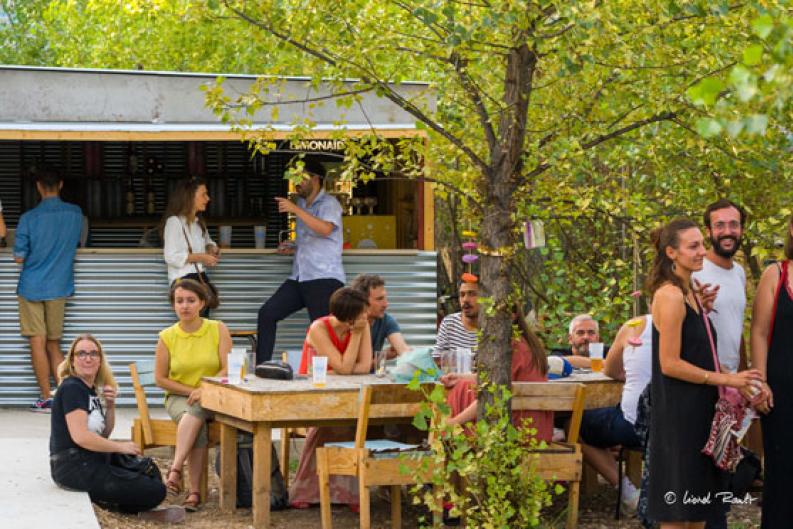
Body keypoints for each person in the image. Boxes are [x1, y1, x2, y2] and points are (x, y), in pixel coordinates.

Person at [646, 218, 762, 528]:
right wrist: (727, 378)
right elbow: (669, 363)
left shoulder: (692, 291)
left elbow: (694, 349)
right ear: (672, 252)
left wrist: (702, 312)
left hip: (701, 415)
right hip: (679, 420)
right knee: (677, 514)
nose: (701, 252)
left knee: (699, 513)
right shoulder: (669, 295)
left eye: (701, 244)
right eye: (693, 246)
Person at [50, 334, 183, 522]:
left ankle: (116, 500)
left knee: (149, 470)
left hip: (90, 458)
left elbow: (103, 434)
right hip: (74, 467)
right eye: (81, 353)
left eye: (93, 354)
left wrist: (110, 406)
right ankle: (118, 506)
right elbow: (81, 438)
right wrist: (120, 447)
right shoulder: (72, 388)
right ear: (72, 360)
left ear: (100, 360)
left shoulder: (89, 389)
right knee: (155, 490)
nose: (88, 358)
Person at [691, 199, 748, 529]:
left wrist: (744, 379)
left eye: (734, 224)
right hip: (703, 385)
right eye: (720, 225)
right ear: (709, 230)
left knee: (722, 473)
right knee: (700, 477)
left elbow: (735, 330)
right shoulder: (695, 270)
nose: (728, 232)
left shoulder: (739, 272)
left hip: (731, 389)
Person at [256, 158, 346, 363]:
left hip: (324, 278)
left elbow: (325, 229)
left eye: (300, 177)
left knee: (322, 331)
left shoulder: (329, 203)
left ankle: (331, 376)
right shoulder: (302, 203)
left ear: (315, 179)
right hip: (300, 277)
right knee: (267, 314)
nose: (296, 182)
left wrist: (296, 210)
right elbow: (314, 237)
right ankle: (262, 367)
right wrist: (294, 246)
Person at [290, 287, 372, 508]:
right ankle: (309, 492)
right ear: (348, 318)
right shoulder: (319, 328)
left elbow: (364, 366)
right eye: (362, 313)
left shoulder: (362, 326)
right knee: (328, 425)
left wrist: (337, 368)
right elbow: (346, 367)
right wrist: (355, 337)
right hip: (315, 393)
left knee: (358, 423)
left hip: (347, 392)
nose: (366, 317)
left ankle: (349, 494)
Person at [155, 278, 231, 512]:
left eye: (190, 300)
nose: (185, 306)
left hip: (213, 393)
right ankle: (194, 493)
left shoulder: (217, 328)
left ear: (202, 303)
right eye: (179, 301)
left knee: (197, 410)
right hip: (179, 397)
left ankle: (175, 472)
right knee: (195, 415)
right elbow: (161, 378)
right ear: (173, 305)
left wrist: (204, 390)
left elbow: (227, 368)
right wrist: (193, 391)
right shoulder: (167, 336)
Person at [13, 167, 82, 412]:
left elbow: (19, 258)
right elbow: (80, 243)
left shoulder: (29, 218)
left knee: (37, 342)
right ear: (61, 185)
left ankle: (46, 396)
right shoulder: (75, 214)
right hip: (60, 285)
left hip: (32, 286)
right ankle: (65, 398)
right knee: (54, 344)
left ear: (39, 187)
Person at [440, 305, 553, 441]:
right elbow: (498, 379)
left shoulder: (509, 347)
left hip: (515, 431)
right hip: (536, 430)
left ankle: (448, 444)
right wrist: (460, 377)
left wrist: (454, 422)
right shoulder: (525, 342)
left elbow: (492, 396)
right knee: (463, 384)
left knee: (462, 390)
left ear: (512, 316)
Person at [579, 311, 652, 513]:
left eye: (591, 333)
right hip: (675, 426)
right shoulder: (693, 328)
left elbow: (610, 370)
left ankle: (629, 494)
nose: (586, 337)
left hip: (634, 425)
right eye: (580, 333)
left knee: (575, 425)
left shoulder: (634, 327)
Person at [749, 212, 793, 528]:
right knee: (782, 473)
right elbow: (759, 333)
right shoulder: (776, 274)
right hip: (781, 393)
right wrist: (760, 382)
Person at [161, 177, 220, 316]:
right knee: (194, 327)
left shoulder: (199, 223)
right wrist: (202, 257)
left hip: (200, 279)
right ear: (190, 197)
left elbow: (208, 241)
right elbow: (171, 257)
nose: (208, 198)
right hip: (184, 282)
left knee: (203, 326)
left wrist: (212, 248)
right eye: (203, 194)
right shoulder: (174, 222)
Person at [350, 273, 410, 357]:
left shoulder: (386, 320)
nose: (386, 304)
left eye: (385, 298)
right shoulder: (347, 322)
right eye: (379, 299)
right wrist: (382, 356)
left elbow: (403, 350)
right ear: (362, 301)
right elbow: (350, 367)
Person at [435, 280, 479, 355]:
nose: (465, 300)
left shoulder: (494, 327)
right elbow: (437, 358)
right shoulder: (449, 323)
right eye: (462, 295)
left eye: (471, 294)